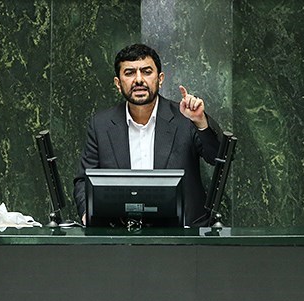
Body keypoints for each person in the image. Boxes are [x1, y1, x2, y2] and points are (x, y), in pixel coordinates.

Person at [73, 43, 223, 227]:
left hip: (182, 233)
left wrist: (200, 121)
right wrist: (88, 213)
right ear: (118, 83)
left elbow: (218, 158)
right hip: (122, 234)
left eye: (146, 72)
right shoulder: (101, 125)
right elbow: (84, 180)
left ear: (160, 79)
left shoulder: (185, 117)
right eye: (129, 73)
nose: (139, 80)